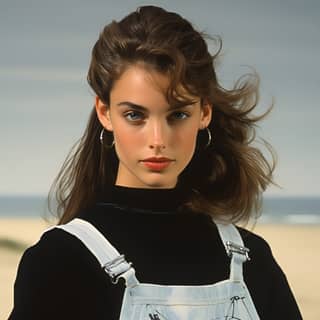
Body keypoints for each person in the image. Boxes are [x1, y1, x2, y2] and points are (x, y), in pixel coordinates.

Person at [9, 5, 302, 320]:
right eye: (135, 115)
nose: (158, 139)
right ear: (105, 113)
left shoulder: (251, 258)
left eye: (177, 114)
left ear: (204, 112)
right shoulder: (61, 261)